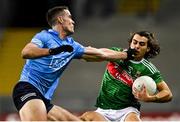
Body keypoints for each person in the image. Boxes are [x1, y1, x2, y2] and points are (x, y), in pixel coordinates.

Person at [12, 6, 135, 121]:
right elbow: (26, 52)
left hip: (44, 98)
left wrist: (127, 54)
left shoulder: (72, 46)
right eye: (69, 17)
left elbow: (100, 53)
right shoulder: (44, 36)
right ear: (60, 19)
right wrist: (52, 51)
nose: (73, 21)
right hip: (27, 89)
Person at [80, 31, 173, 121]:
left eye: (141, 44)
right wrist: (124, 55)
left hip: (127, 111)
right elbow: (93, 56)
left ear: (148, 48)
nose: (136, 46)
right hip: (103, 110)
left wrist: (150, 98)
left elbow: (167, 93)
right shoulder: (116, 53)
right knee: (86, 117)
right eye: (134, 42)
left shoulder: (148, 69)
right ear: (130, 43)